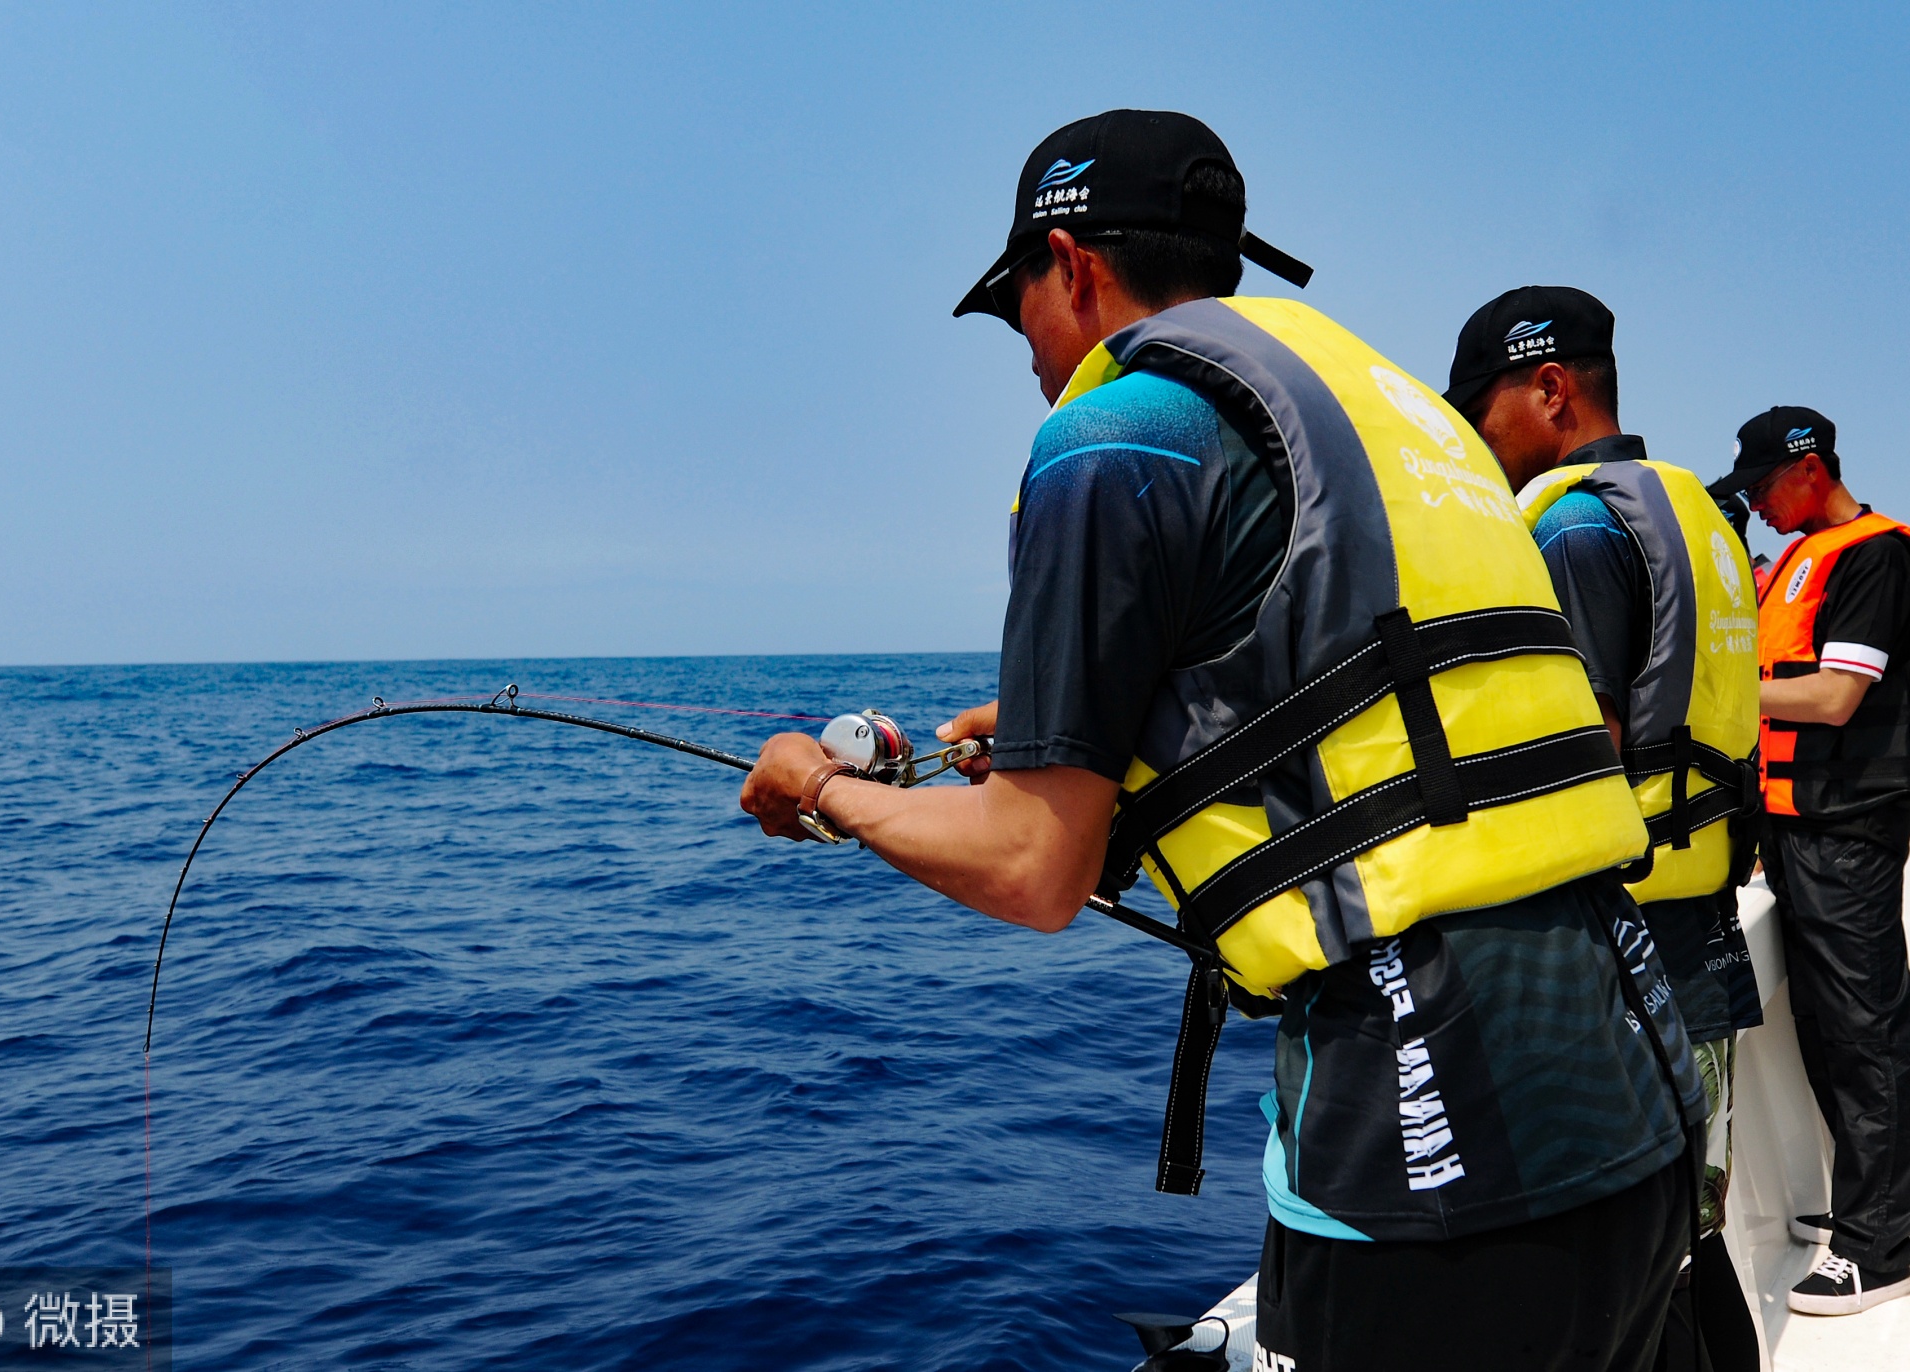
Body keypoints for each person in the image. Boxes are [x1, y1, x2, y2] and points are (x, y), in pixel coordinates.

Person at [740, 110, 1707, 1371]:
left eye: (1020, 297)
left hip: (1438, 1151)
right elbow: (1368, 714)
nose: (1027, 347)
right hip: (1632, 1073)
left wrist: (823, 789)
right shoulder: (1388, 410)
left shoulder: (1110, 433)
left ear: (1071, 264)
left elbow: (1037, 867)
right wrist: (1091, 742)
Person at [1445, 286, 1763, 1369]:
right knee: (1690, 1229)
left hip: (1622, 943)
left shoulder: (1575, 525)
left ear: (1549, 388)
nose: (1479, 446)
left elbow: (1574, 745)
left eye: (1481, 414)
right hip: (1699, 912)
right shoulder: (1692, 512)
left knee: (1619, 1254)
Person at [1710, 407, 1910, 1315]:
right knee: (1828, 1034)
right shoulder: (1793, 560)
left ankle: (1888, 1241)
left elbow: (1832, 697)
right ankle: (1869, 1210)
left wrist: (1715, 689)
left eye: (1762, 484)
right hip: (1794, 835)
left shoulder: (1875, 556)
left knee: (1867, 1034)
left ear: (1812, 467)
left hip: (1851, 831)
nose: (1756, 500)